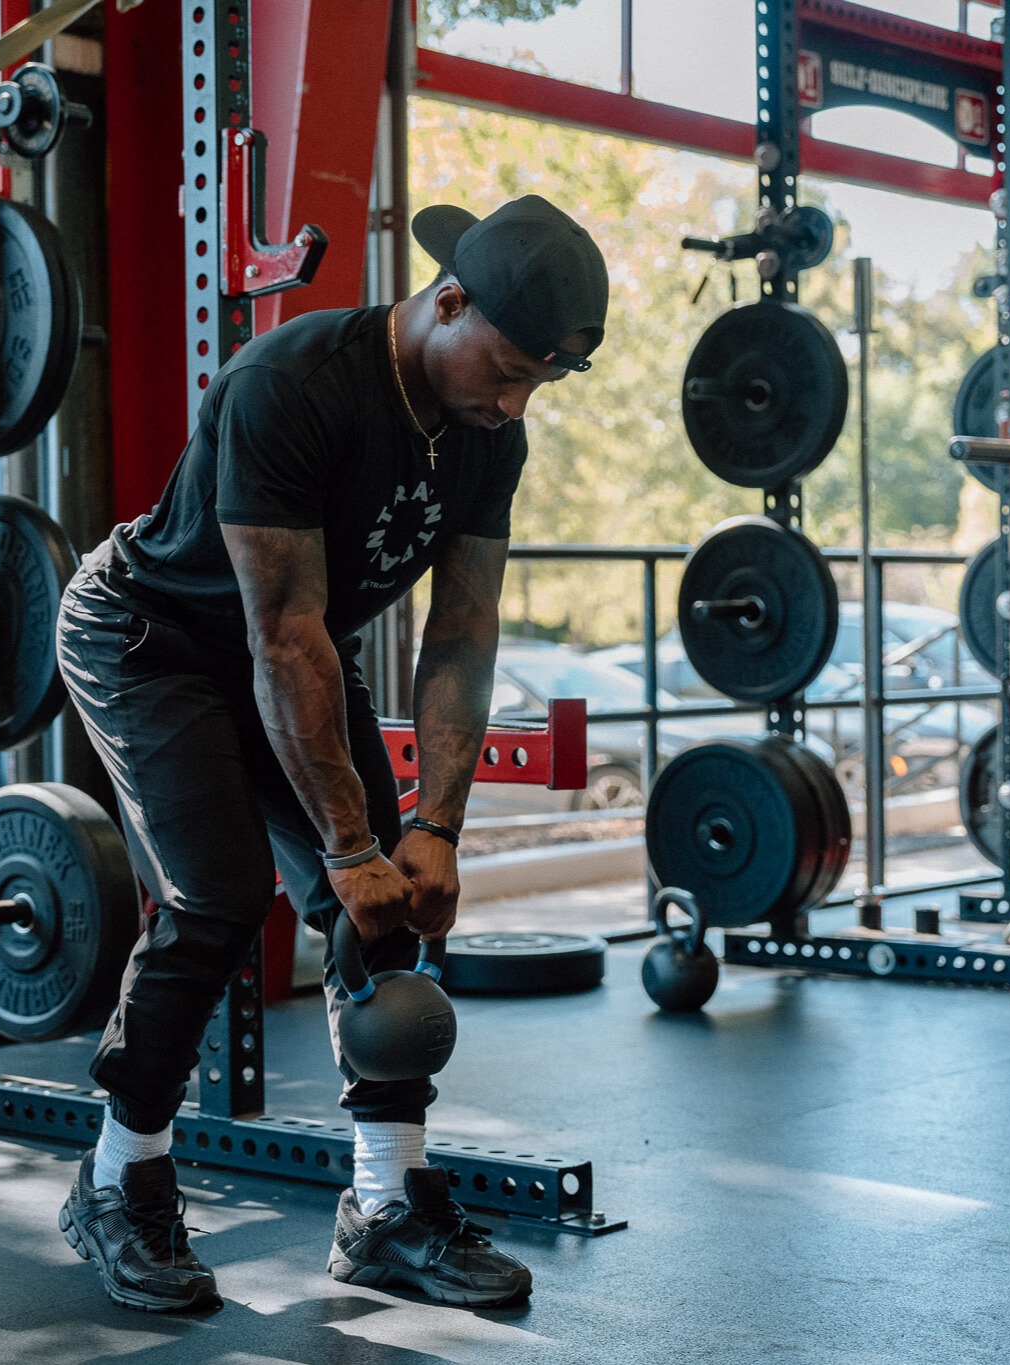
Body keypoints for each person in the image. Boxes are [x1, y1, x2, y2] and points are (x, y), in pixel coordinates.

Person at [54, 194, 608, 1313]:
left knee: (389, 907)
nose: (514, 403)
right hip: (151, 637)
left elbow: (459, 632)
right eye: (506, 369)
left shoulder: (489, 438)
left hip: (290, 650)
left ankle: (386, 1205)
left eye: (538, 383)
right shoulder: (294, 382)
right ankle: (120, 1181)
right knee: (214, 899)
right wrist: (347, 839)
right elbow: (281, 629)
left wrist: (431, 830)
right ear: (447, 303)